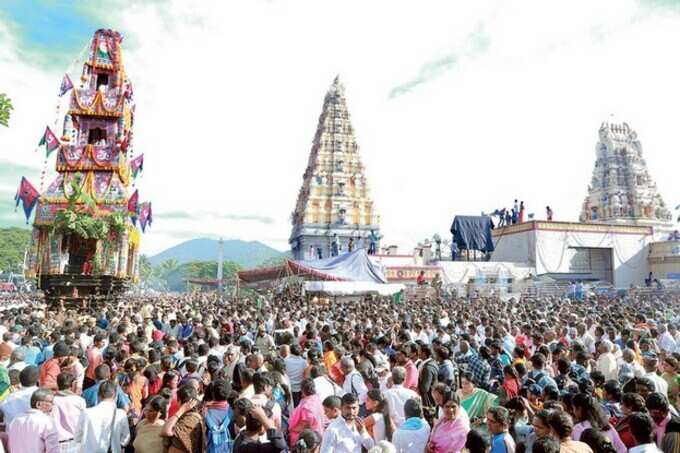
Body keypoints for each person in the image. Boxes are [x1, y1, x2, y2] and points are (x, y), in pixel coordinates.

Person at [75, 380, 131, 453]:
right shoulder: (121, 414)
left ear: (98, 395)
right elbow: (125, 440)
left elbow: (77, 438)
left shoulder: (86, 413)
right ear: (115, 395)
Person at [8, 388, 59, 453]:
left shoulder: (15, 420)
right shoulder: (47, 421)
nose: (53, 404)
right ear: (39, 404)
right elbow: (53, 449)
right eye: (51, 402)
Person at [161, 384, 206, 453]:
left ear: (179, 401)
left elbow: (165, 431)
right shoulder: (186, 415)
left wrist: (181, 410)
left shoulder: (191, 419)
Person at [52, 371, 86, 450]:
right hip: (75, 442)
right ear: (72, 385)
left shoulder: (52, 400)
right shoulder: (79, 401)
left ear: (57, 384)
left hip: (56, 443)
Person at [289, 378, 324, 446]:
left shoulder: (306, 407)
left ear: (302, 390)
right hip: (318, 432)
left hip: (308, 438)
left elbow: (305, 426)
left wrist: (292, 429)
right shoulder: (316, 398)